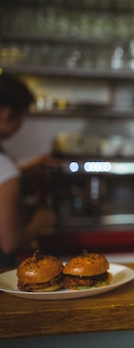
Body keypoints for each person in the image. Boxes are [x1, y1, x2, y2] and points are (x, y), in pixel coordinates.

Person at [0, 72, 56, 268]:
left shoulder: (7, 168)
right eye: (22, 118)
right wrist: (40, 221)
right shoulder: (5, 169)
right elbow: (9, 243)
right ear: (7, 113)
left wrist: (22, 169)